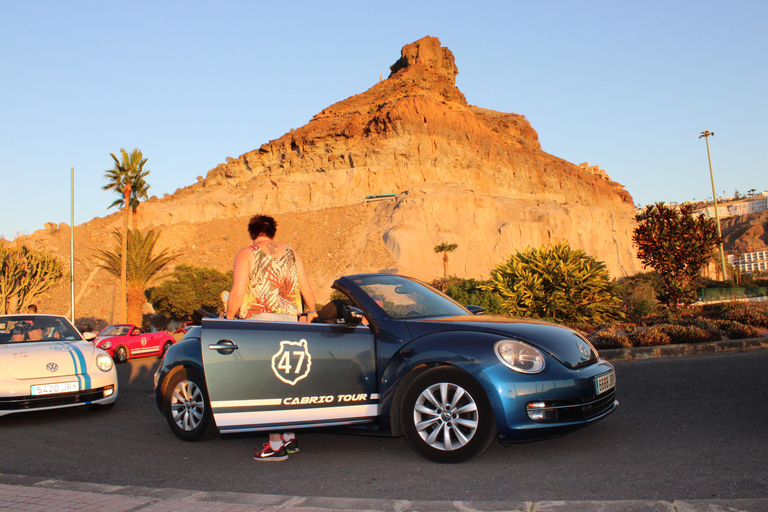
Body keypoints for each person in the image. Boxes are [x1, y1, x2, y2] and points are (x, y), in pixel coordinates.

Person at [224, 215, 317, 461]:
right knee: (286, 382)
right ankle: (290, 436)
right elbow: (306, 288)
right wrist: (312, 311)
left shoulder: (247, 253)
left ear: (252, 232)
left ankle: (275, 445)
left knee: (265, 385)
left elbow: (238, 291)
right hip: (290, 324)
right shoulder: (292, 253)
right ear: (273, 232)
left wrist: (228, 317)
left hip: (260, 324)